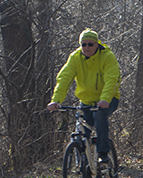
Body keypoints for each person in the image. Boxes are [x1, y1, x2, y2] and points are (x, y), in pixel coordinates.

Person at [47, 29, 121, 164]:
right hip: (86, 101)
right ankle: (82, 171)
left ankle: (103, 154)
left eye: (90, 44)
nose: (87, 47)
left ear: (97, 44)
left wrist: (105, 99)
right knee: (79, 135)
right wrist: (56, 101)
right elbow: (64, 79)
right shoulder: (75, 58)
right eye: (84, 44)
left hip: (108, 99)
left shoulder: (107, 57)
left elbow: (112, 79)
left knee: (99, 116)